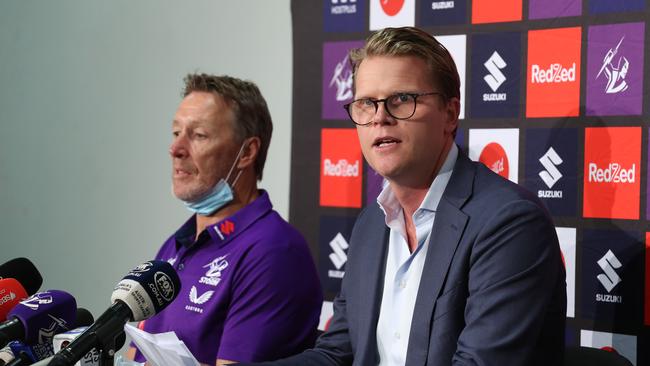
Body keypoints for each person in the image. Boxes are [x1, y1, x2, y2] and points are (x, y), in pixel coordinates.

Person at [241, 27, 566, 366]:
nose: (380, 118)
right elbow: (335, 355)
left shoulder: (509, 223)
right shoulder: (371, 224)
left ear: (450, 114)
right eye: (366, 103)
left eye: (401, 100)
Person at [127, 74, 323, 366]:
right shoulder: (176, 243)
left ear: (246, 152)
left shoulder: (275, 252)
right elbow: (134, 356)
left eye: (198, 135)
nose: (176, 149)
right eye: (176, 133)